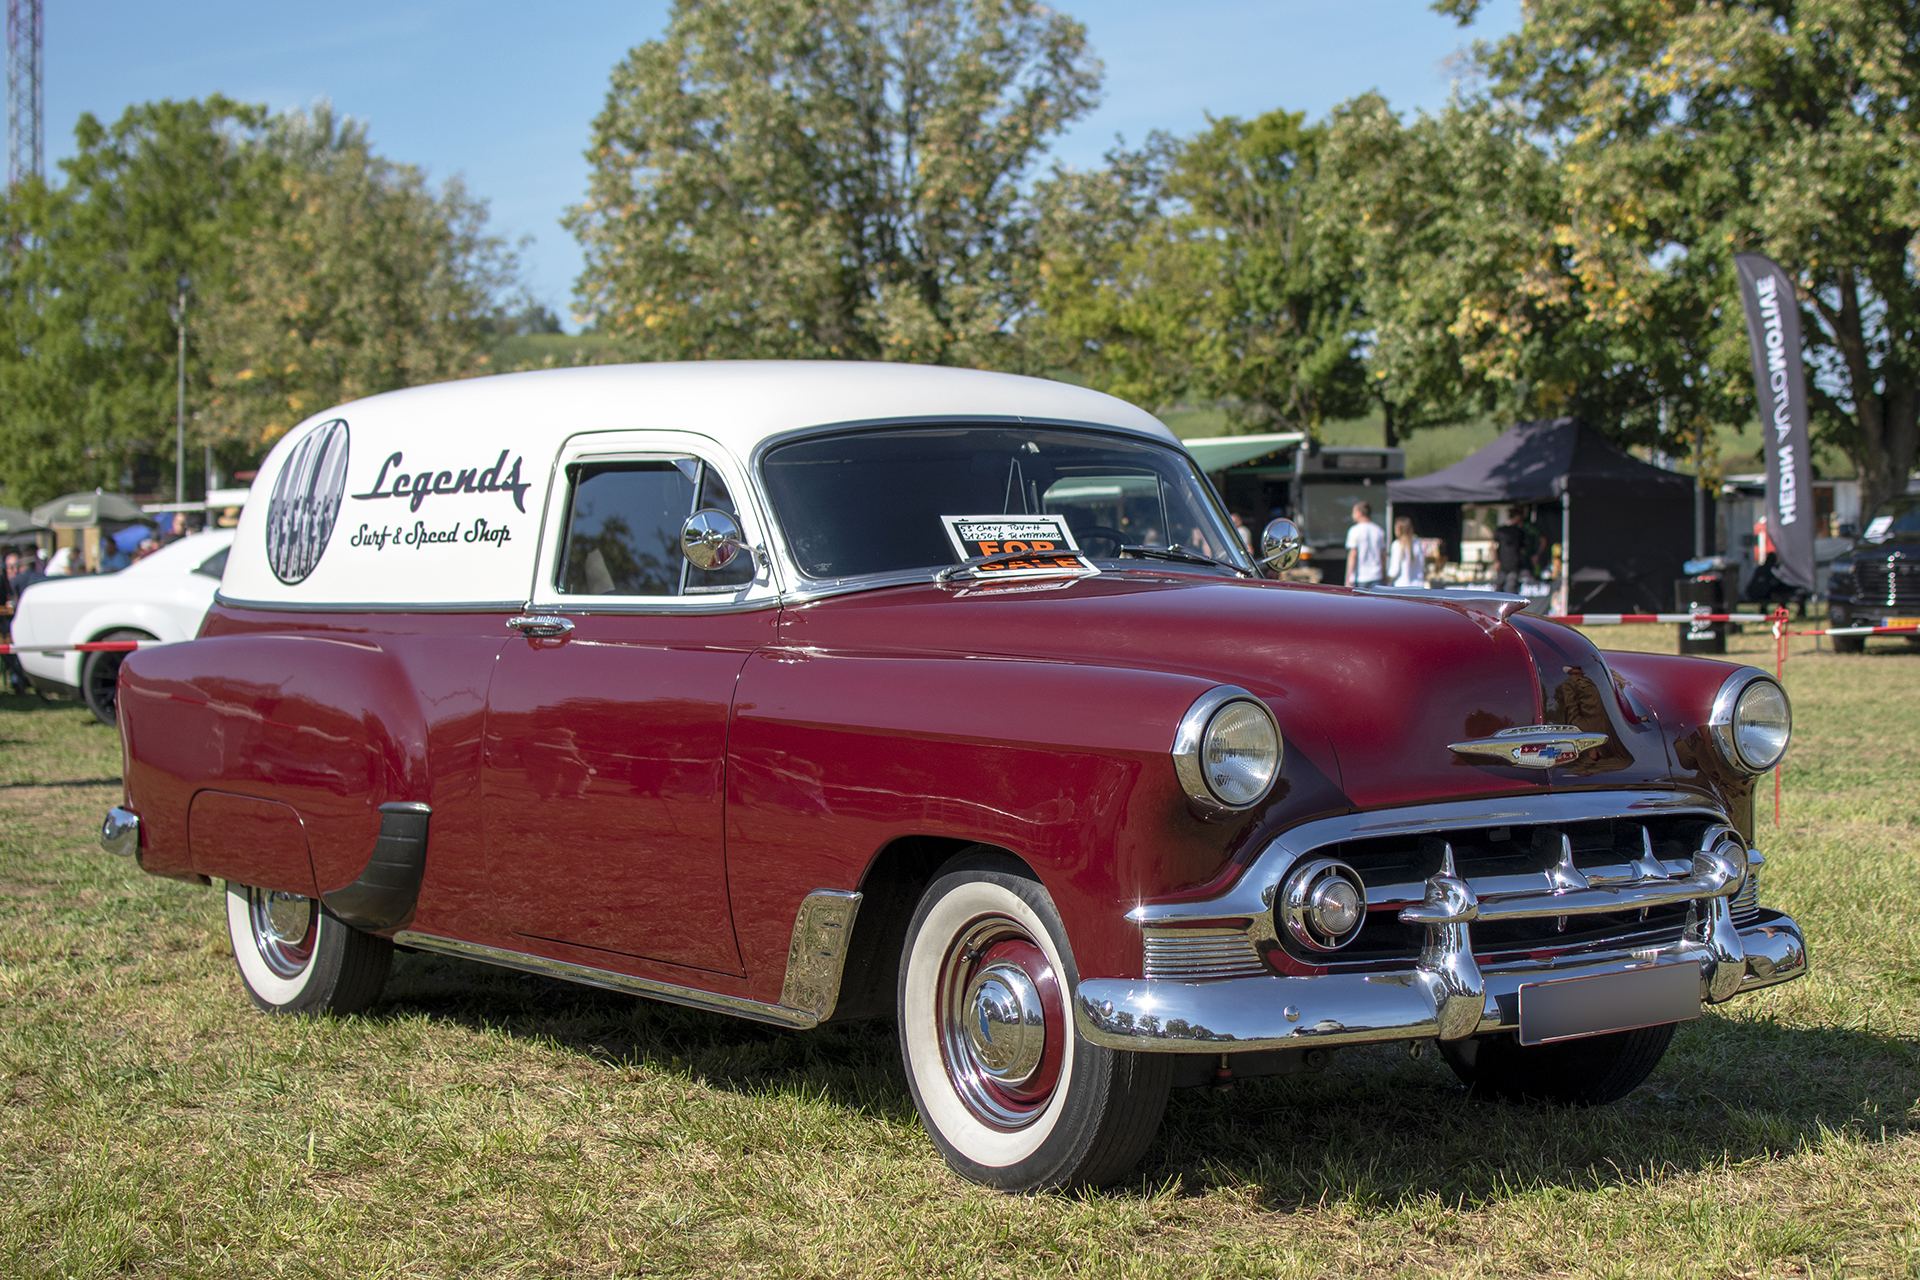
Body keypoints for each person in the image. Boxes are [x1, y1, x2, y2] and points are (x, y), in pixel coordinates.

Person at [1345, 501, 1386, 587]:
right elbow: (1383, 556)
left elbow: (1353, 555)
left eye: (1354, 512)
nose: (1352, 515)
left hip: (1361, 577)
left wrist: (1348, 578)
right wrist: (1384, 576)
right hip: (1376, 575)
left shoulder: (1354, 530)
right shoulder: (1378, 531)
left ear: (1359, 513)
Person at [1493, 507, 1527, 595]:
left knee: (1499, 587)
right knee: (1511, 588)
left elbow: (1493, 546)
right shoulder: (1519, 531)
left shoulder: (1499, 530)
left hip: (1503, 562)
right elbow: (1522, 548)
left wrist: (1496, 560)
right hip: (1513, 563)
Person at [1387, 516, 1426, 587]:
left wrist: (1387, 581)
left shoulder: (1397, 544)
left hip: (1401, 585)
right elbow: (1422, 565)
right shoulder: (1417, 543)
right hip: (1417, 585)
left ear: (1398, 530)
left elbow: (1394, 570)